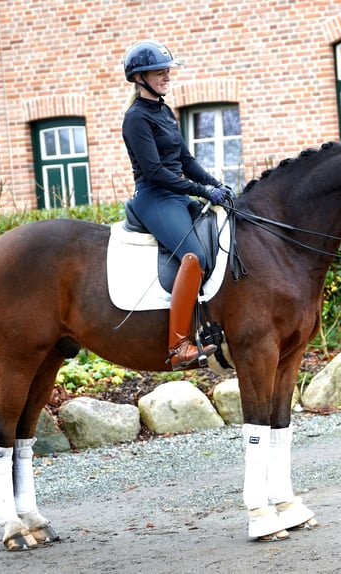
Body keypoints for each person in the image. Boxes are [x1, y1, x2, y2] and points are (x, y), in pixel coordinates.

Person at [121, 40, 230, 371]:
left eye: (168, 69)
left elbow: (185, 159)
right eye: (159, 71)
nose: (167, 75)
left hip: (177, 194)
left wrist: (214, 184)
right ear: (140, 77)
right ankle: (178, 345)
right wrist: (200, 190)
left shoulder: (164, 111)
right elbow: (155, 171)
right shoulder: (136, 118)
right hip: (154, 196)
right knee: (193, 257)